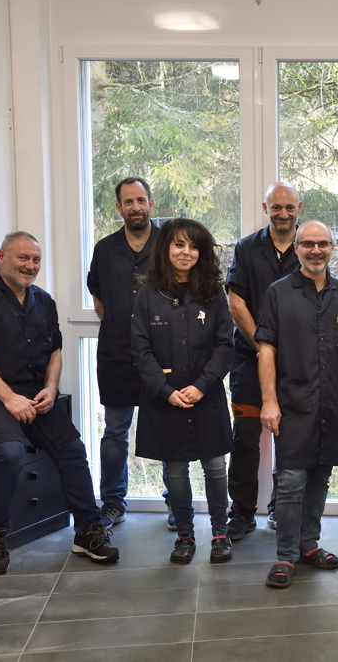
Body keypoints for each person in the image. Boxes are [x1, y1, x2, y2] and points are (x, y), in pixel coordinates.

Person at [0, 232, 120, 575]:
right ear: (1, 256)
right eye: (22, 258)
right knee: (10, 452)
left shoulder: (43, 300)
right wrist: (8, 398)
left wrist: (51, 388)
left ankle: (87, 531)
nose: (30, 266)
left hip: (35, 395)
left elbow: (54, 350)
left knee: (73, 449)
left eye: (36, 260)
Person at [256, 221, 338, 588]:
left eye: (323, 244)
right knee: (290, 481)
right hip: (292, 403)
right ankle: (286, 555)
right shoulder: (278, 293)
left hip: (333, 401)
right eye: (308, 244)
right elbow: (266, 349)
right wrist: (269, 401)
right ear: (298, 248)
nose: (316, 250)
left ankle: (308, 546)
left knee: (320, 476)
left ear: (333, 248)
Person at [131, 219, 235, 565]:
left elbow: (224, 344)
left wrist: (201, 386)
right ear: (166, 250)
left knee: (215, 467)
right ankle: (185, 536)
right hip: (165, 399)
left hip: (206, 395)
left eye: (192, 246)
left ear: (201, 252)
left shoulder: (214, 292)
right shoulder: (147, 294)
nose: (186, 252)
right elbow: (140, 350)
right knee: (175, 469)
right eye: (178, 245)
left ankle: (220, 533)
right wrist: (165, 390)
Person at [225, 181, 302, 540]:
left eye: (289, 207)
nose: (283, 214)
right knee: (245, 438)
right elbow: (235, 301)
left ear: (299, 208)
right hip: (249, 359)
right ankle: (241, 512)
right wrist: (262, 345)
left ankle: (281, 508)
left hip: (297, 365)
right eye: (276, 207)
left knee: (291, 438)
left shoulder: (309, 247)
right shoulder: (245, 248)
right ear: (265, 207)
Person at [87, 177, 161, 528]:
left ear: (150, 203)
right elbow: (98, 296)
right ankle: (113, 501)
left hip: (162, 355)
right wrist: (121, 326)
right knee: (115, 430)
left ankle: (175, 502)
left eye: (141, 200)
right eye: (128, 202)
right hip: (116, 353)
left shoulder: (168, 244)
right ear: (119, 208)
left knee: (166, 426)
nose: (135, 207)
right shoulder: (104, 249)